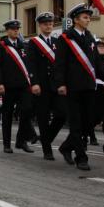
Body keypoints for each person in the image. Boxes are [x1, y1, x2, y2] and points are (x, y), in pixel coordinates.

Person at [54, 4, 104, 171]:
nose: (88, 19)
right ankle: (81, 157)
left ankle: (66, 147)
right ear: (76, 20)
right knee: (77, 124)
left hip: (90, 87)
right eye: (85, 17)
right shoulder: (66, 38)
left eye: (89, 17)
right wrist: (61, 83)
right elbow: (60, 63)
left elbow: (98, 64)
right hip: (73, 87)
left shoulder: (91, 38)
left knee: (89, 122)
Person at [0, 19, 39, 154]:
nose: (16, 31)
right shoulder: (1, 46)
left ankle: (21, 140)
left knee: (27, 110)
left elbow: (29, 64)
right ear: (7, 31)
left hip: (24, 85)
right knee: (7, 115)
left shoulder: (23, 45)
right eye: (13, 29)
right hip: (8, 86)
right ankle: (7, 144)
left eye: (17, 29)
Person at [27, 11, 66, 160]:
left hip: (56, 85)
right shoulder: (33, 42)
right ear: (40, 25)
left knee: (62, 114)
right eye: (45, 24)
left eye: (50, 23)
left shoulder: (57, 43)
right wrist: (34, 82)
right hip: (41, 85)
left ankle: (45, 138)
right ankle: (47, 150)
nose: (48, 26)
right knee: (43, 118)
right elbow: (31, 64)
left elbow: (60, 64)